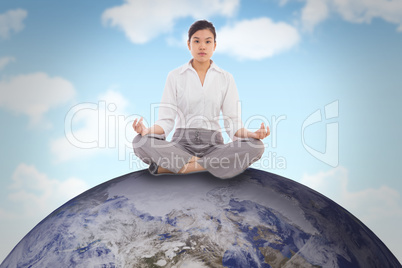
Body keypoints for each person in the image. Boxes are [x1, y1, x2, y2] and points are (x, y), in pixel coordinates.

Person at [132, 20, 270, 179]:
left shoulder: (226, 78)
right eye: (196, 41)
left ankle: (173, 168)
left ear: (215, 45)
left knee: (256, 147)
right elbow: (166, 121)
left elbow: (232, 122)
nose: (202, 46)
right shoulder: (175, 76)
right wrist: (146, 131)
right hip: (180, 146)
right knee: (139, 141)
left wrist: (253, 134)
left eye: (207, 41)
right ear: (189, 44)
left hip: (214, 147)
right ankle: (207, 166)